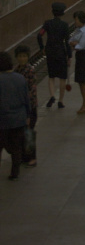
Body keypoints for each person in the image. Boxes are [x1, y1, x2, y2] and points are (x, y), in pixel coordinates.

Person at [0, 51, 30, 180]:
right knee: (17, 146)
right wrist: (28, 115)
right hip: (19, 118)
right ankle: (14, 173)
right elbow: (26, 99)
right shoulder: (20, 78)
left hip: (3, 120)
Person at [37, 1, 72, 108]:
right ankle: (60, 101)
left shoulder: (47, 24)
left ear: (52, 12)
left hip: (50, 52)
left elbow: (39, 35)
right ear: (62, 13)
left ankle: (52, 95)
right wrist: (69, 56)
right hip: (61, 52)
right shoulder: (65, 25)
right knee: (62, 77)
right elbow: (67, 42)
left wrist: (42, 48)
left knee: (51, 76)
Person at [14, 45, 37, 166]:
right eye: (20, 56)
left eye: (24, 56)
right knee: (22, 133)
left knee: (29, 132)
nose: (22, 58)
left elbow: (31, 90)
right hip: (20, 107)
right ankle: (24, 156)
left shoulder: (30, 70)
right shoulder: (16, 70)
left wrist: (27, 106)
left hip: (30, 107)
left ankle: (32, 158)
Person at [70, 11, 85, 114]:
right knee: (80, 81)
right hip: (79, 56)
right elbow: (71, 40)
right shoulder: (78, 30)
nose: (75, 21)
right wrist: (74, 43)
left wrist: (75, 44)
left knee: (84, 81)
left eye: (76, 19)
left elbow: (80, 46)